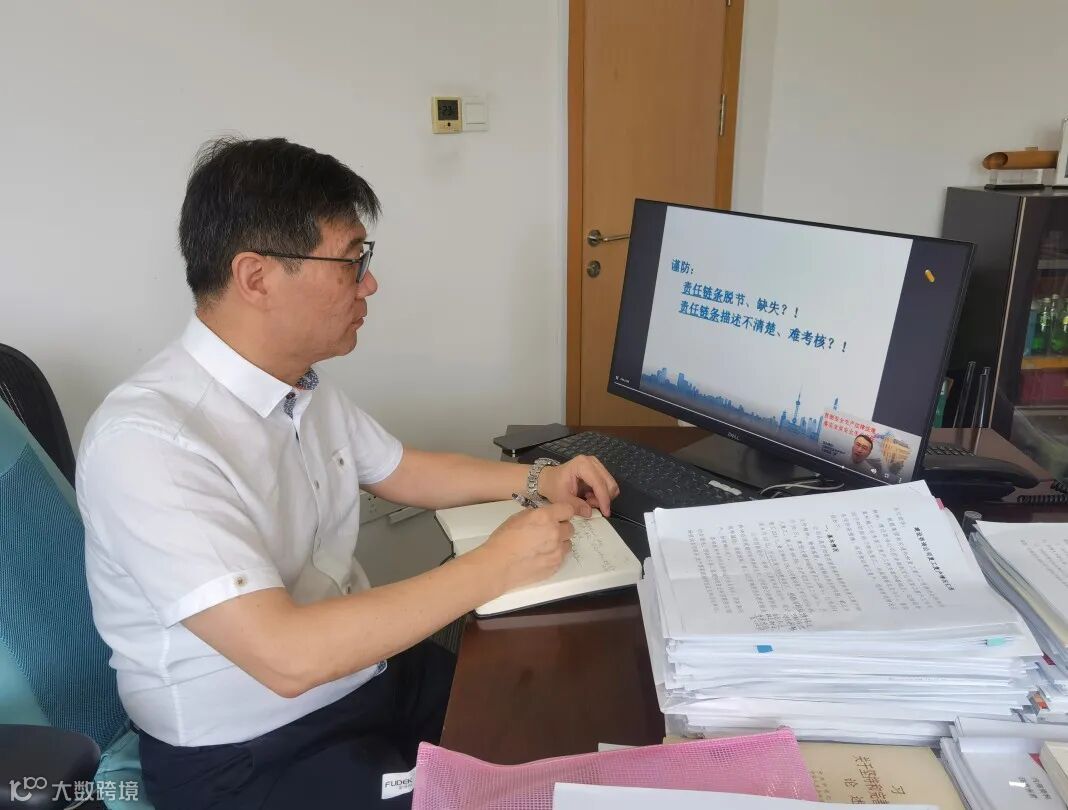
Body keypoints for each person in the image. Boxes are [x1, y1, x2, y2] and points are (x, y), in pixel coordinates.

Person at [76, 137, 619, 810]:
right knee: (514, 794)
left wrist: (537, 480)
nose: (369, 283)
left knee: (561, 721)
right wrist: (497, 566)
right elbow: (285, 657)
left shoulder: (297, 383)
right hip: (249, 752)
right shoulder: (149, 443)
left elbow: (401, 469)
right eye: (351, 260)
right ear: (256, 277)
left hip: (365, 675)